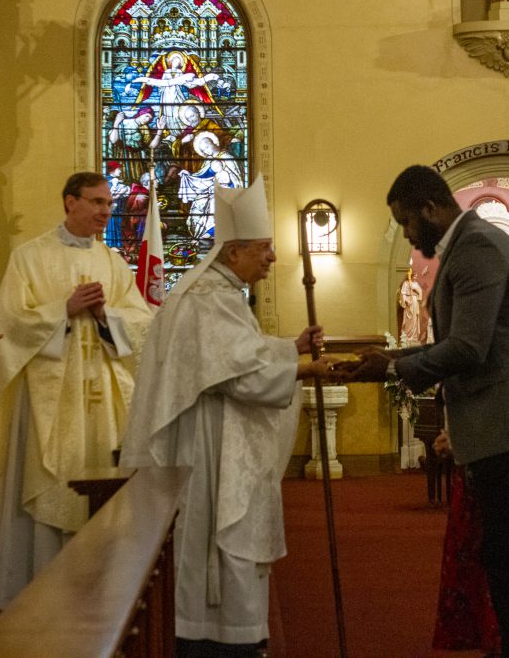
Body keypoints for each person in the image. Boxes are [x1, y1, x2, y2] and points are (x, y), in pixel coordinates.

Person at [336, 165, 509, 657]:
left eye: (407, 222)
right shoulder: (470, 244)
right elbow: (459, 341)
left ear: (429, 209)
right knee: (505, 555)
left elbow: (468, 348)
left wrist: (392, 368)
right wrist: (389, 359)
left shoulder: (476, 248)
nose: (408, 234)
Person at [119, 176, 332, 657]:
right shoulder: (209, 298)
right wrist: (304, 369)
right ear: (233, 252)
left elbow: (237, 355)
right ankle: (217, 636)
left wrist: (289, 348)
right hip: (210, 443)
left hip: (215, 433)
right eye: (263, 248)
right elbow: (242, 378)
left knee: (220, 537)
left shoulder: (216, 293)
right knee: (219, 534)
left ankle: (225, 630)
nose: (272, 257)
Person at [0, 171, 152, 608]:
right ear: (70, 202)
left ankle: (100, 588)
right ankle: (38, 591)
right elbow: (9, 324)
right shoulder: (29, 257)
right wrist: (64, 310)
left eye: (108, 203)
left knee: (104, 481)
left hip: (102, 393)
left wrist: (108, 317)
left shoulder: (113, 262)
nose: (106, 211)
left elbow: (142, 320)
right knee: (48, 480)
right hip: (47, 397)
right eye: (97, 202)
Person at [430, 430, 509, 653]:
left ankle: (506, 645)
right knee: (500, 560)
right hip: (503, 454)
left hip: (507, 455)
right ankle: (500, 644)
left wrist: (461, 440)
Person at [397, 268, 424, 345]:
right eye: (414, 276)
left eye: (416, 276)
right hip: (408, 303)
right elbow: (402, 293)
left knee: (414, 319)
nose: (416, 277)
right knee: (408, 320)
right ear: (411, 276)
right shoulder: (406, 283)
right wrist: (406, 300)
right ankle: (407, 336)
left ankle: (414, 337)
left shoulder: (416, 284)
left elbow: (420, 293)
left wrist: (416, 290)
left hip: (414, 301)